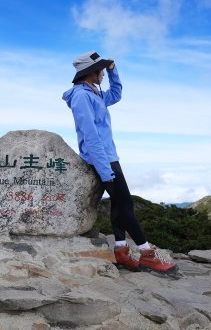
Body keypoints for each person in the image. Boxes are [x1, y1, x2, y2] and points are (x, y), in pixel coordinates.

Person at [62, 51, 177, 275]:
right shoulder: (81, 96)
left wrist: (115, 71)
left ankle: (121, 250)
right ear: (91, 72)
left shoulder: (95, 93)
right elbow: (90, 135)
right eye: (102, 70)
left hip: (109, 156)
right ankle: (146, 253)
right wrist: (105, 170)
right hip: (101, 159)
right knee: (125, 205)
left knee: (119, 203)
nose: (103, 74)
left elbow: (116, 94)